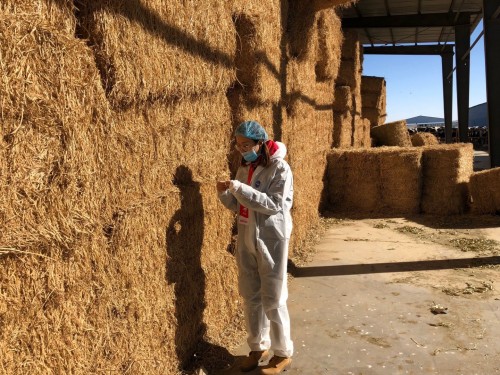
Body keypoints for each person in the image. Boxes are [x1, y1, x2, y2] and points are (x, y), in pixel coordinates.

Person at [216, 120, 294, 374]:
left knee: (273, 296)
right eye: (238, 145)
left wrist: (240, 189)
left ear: (261, 142)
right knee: (251, 295)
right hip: (248, 234)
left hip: (271, 238)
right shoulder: (245, 167)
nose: (241, 149)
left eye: (246, 144)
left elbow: (272, 205)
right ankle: (257, 347)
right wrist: (226, 195)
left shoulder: (280, 168)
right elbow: (241, 205)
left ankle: (282, 353)